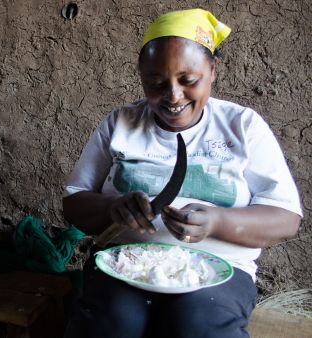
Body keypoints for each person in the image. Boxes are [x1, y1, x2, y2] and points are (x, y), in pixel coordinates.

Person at [62, 9, 302, 338]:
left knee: (198, 327)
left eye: (188, 80)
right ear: (141, 77)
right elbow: (73, 202)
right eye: (155, 83)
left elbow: (286, 218)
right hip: (125, 265)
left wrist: (218, 221)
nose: (173, 95)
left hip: (217, 272)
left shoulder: (242, 126)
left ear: (212, 70)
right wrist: (110, 209)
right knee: (113, 324)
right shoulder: (121, 124)